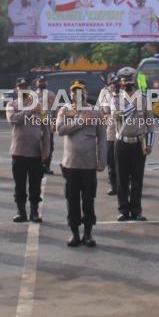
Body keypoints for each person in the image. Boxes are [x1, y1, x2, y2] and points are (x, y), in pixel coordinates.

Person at [56, 79, 105, 247]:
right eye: (74, 92)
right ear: (70, 94)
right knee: (72, 200)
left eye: (80, 91)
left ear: (85, 93)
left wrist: (102, 160)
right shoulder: (64, 110)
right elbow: (60, 130)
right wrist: (79, 121)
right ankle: (74, 233)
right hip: (70, 165)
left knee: (88, 199)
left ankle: (88, 233)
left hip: (89, 165)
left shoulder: (95, 112)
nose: (77, 94)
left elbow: (102, 138)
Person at [112, 66, 153, 221]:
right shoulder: (116, 99)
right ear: (121, 84)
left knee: (137, 179)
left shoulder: (144, 99)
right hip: (121, 143)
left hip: (138, 143)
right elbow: (117, 116)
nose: (128, 85)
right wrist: (133, 105)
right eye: (125, 83)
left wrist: (149, 143)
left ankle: (136, 210)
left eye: (130, 82)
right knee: (122, 179)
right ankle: (123, 210)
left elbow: (149, 124)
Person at [6, 77, 48, 223]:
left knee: (35, 184)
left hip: (36, 151)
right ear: (16, 89)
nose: (23, 89)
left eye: (25, 86)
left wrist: (47, 149)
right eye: (20, 87)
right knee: (20, 184)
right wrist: (29, 110)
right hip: (19, 151)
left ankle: (35, 212)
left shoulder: (40, 106)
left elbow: (46, 127)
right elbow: (13, 119)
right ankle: (21, 211)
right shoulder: (12, 105)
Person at [97, 73, 120, 197]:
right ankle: (113, 184)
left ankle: (124, 185)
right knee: (111, 159)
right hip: (110, 130)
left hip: (123, 129)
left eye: (115, 83)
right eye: (111, 83)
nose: (113, 86)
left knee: (122, 160)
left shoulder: (124, 93)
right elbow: (101, 108)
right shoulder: (104, 92)